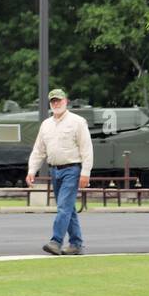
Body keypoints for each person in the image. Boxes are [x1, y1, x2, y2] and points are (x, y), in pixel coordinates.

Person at [25, 88, 93, 256]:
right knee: (68, 208)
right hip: (55, 170)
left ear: (66, 101)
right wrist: (32, 170)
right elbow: (39, 150)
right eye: (53, 101)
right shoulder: (46, 125)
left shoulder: (77, 122)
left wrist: (85, 172)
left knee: (63, 207)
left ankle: (56, 241)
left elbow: (86, 148)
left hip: (72, 169)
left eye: (59, 100)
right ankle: (76, 243)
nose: (56, 103)